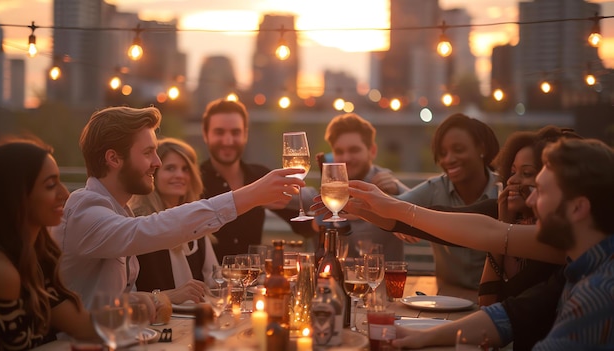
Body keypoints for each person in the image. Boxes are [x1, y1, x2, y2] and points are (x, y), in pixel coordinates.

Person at [347, 138, 614, 349]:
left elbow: (486, 232)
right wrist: (422, 337)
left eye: (540, 190)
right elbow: (512, 315)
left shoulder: (597, 295)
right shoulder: (578, 268)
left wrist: (390, 208)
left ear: (579, 208)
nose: (531, 200)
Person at [51, 106, 305, 309]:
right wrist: (248, 196)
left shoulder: (117, 210)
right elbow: (148, 229)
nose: (158, 162)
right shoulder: (85, 207)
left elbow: (114, 301)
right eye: (148, 152)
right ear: (114, 158)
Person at [0, 138, 97, 349]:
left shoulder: (34, 254)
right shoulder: (0, 271)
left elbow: (81, 325)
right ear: (16, 196)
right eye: (50, 185)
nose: (65, 193)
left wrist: (130, 310)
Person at [199, 98, 315, 261]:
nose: (228, 141)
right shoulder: (193, 180)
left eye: (235, 132)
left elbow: (304, 226)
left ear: (245, 134)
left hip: (252, 282)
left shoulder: (260, 176)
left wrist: (333, 210)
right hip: (207, 282)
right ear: (205, 134)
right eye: (219, 132)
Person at [477, 126, 580, 306]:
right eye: (512, 171)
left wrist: (499, 230)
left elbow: (497, 303)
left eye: (526, 174)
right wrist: (503, 222)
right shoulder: (511, 220)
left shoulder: (556, 239)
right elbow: (486, 301)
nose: (512, 181)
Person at [396, 113, 500, 290]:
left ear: (481, 148)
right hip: (447, 298)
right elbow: (395, 207)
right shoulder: (435, 187)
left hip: (496, 300)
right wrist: (398, 220)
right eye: (442, 153)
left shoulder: (504, 190)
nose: (448, 159)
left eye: (458, 150)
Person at [129, 137, 219, 295]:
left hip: (193, 318)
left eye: (185, 169)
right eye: (170, 168)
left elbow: (215, 283)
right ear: (153, 174)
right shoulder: (137, 225)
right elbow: (123, 296)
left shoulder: (197, 223)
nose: (180, 175)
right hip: (150, 319)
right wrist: (170, 296)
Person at [318, 112, 409, 261]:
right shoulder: (330, 189)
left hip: (385, 282)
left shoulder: (388, 184)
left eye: (354, 150)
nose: (346, 158)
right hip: (339, 282)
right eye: (339, 152)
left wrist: (397, 189)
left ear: (372, 151)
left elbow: (425, 210)